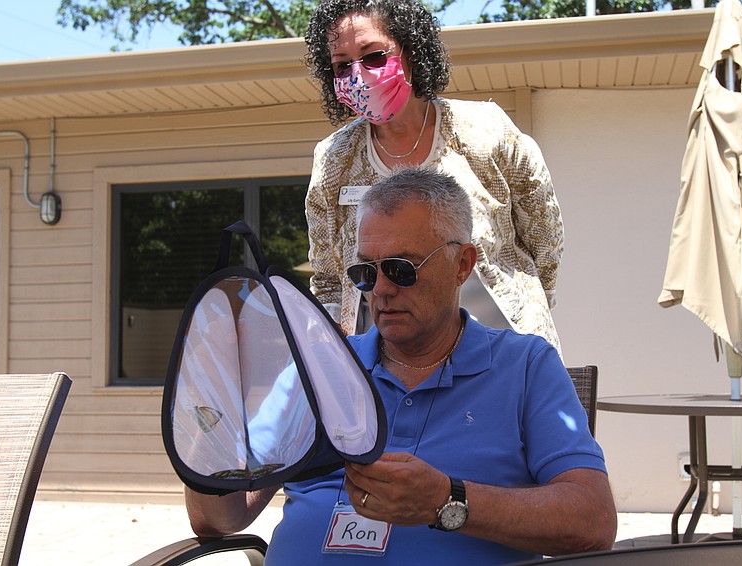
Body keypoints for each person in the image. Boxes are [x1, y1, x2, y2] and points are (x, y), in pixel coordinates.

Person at [185, 168, 616, 563]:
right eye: (366, 273)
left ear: (463, 264)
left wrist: (448, 503)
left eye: (400, 268)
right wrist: (213, 396)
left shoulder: (525, 366)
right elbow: (221, 518)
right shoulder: (320, 368)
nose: (381, 291)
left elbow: (593, 523)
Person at [304, 0, 564, 355]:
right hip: (394, 365)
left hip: (507, 349)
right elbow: (330, 280)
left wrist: (532, 306)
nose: (359, 74)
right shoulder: (334, 158)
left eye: (374, 56)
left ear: (410, 51)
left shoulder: (487, 130)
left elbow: (544, 238)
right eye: (342, 65)